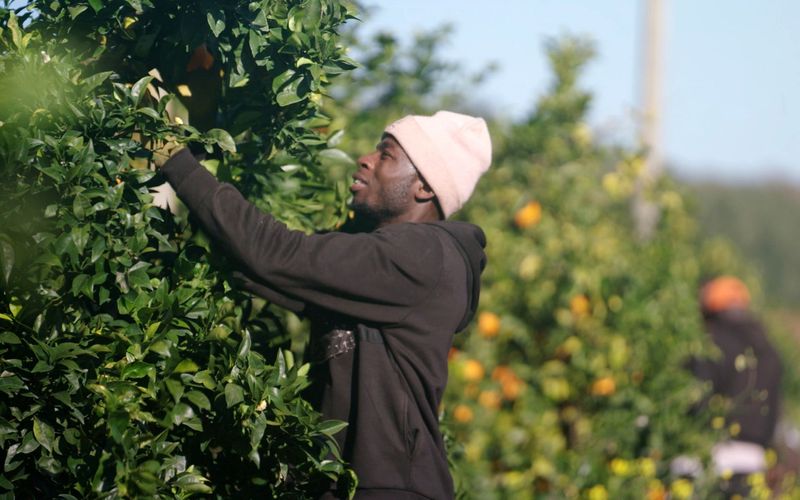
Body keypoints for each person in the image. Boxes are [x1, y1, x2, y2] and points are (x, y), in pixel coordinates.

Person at [154, 111, 492, 499]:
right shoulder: (384, 265)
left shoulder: (423, 254)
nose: (364, 159)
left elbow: (276, 254)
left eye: (385, 155)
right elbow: (264, 268)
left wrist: (176, 160)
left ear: (424, 187)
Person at [688, 276, 782, 498]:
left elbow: (697, 400)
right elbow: (774, 414)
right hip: (754, 462)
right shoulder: (769, 350)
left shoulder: (710, 342)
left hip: (710, 460)